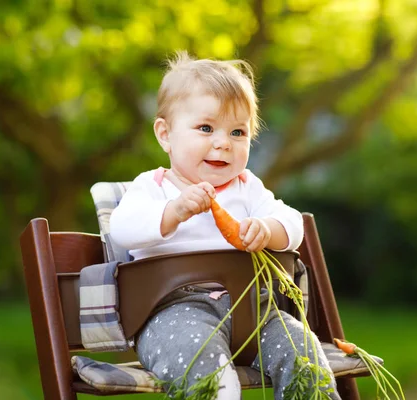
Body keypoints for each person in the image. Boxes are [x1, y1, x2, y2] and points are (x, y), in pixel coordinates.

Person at [110, 51, 340, 400]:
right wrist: (172, 212)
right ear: (165, 135)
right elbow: (122, 229)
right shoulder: (153, 188)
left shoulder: (248, 187)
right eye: (206, 128)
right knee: (206, 373)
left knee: (304, 358)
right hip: (172, 312)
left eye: (237, 132)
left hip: (255, 311)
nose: (223, 142)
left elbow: (293, 224)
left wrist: (268, 229)